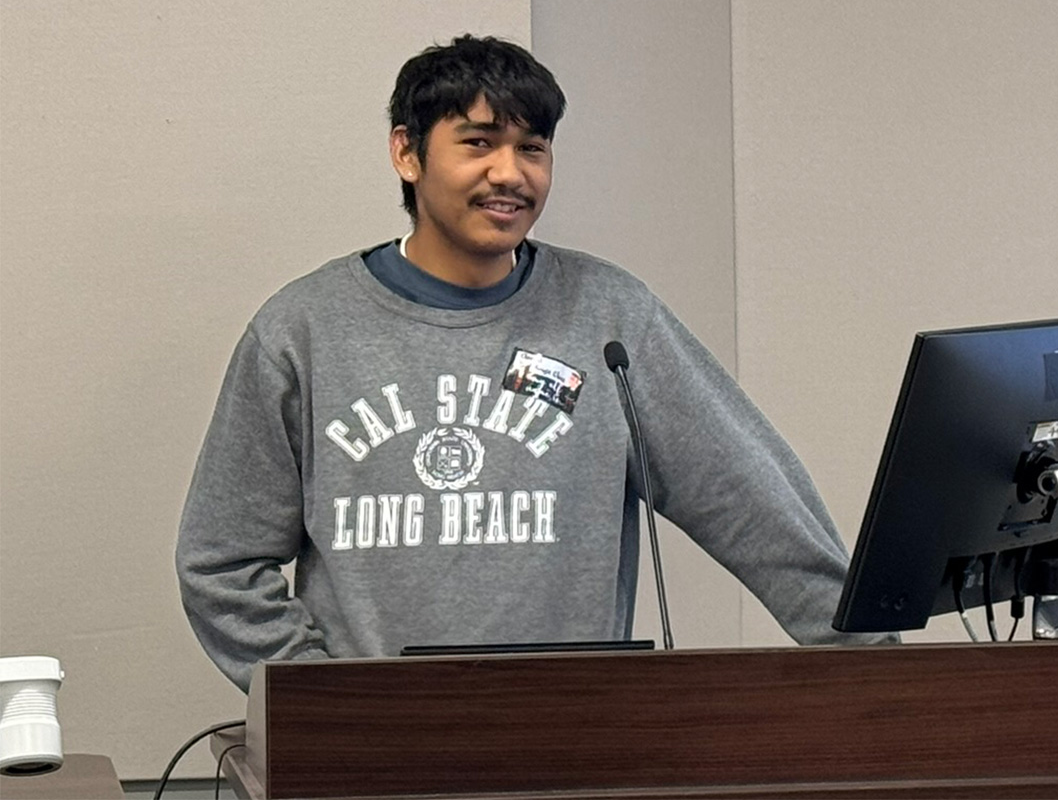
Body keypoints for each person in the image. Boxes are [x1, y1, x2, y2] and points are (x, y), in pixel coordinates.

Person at [176, 35, 891, 693]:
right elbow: (221, 563)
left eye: (533, 148)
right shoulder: (302, 331)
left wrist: (886, 668)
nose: (509, 174)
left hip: (573, 745)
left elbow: (753, 502)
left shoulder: (611, 317)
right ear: (407, 152)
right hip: (370, 757)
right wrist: (322, 701)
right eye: (478, 143)